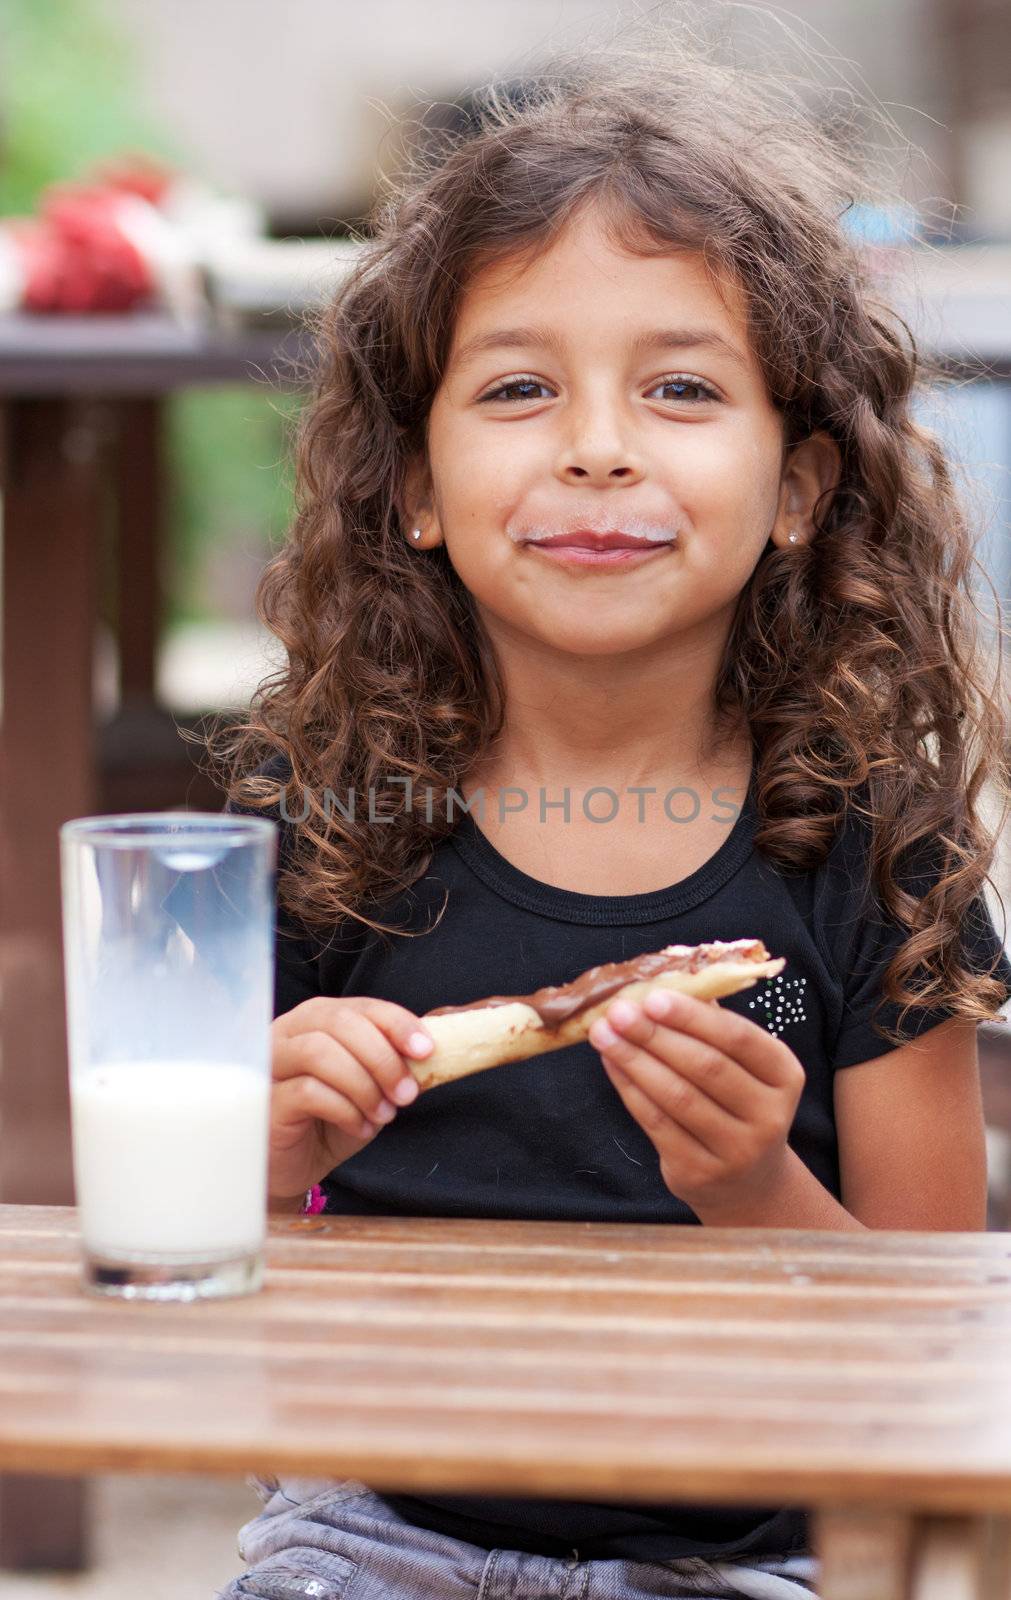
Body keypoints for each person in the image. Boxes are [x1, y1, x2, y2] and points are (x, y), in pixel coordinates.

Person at [208, 16, 1011, 1600]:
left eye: (680, 390)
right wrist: (264, 1146)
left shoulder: (874, 850)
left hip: (759, 1561)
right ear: (417, 488)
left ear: (799, 486)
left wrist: (751, 1189)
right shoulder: (329, 823)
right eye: (517, 389)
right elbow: (229, 1346)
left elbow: (941, 1369)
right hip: (375, 1535)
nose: (593, 451)